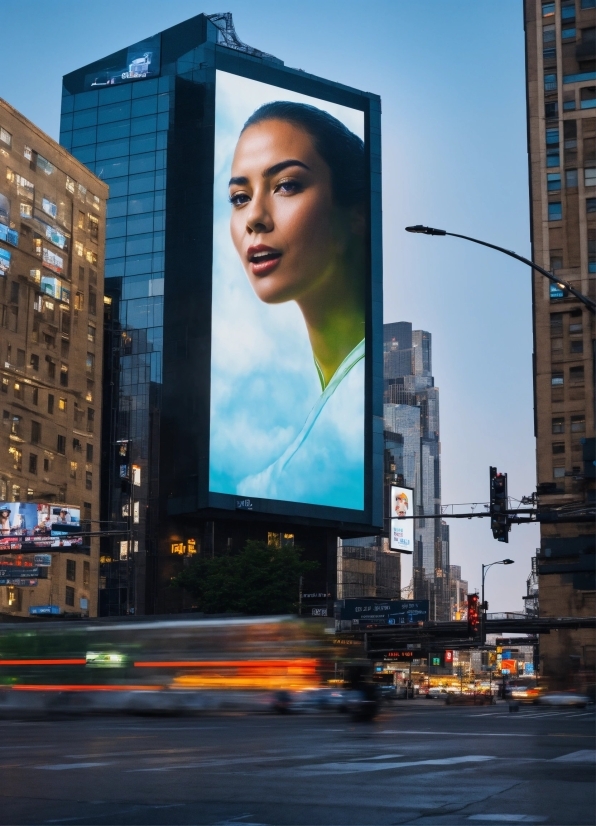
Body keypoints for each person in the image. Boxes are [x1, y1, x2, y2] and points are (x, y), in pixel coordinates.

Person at [228, 101, 366, 508]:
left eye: (286, 185)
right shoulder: (287, 389)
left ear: (357, 213)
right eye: (239, 196)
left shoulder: (357, 398)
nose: (254, 217)